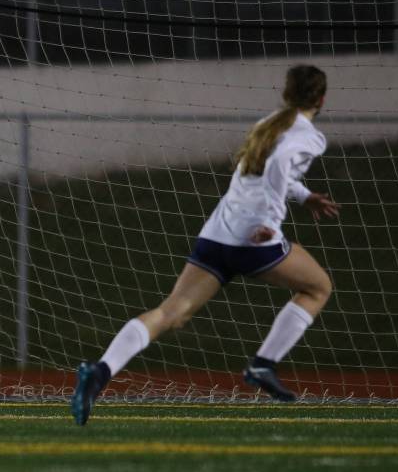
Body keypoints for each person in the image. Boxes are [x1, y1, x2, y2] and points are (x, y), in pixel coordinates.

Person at [71, 64, 340, 424]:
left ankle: (100, 371)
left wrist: (304, 196)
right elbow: (278, 166)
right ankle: (263, 365)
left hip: (219, 232)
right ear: (321, 99)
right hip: (253, 239)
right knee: (318, 287)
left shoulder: (268, 125)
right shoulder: (309, 136)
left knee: (171, 313)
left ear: (286, 93)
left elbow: (263, 172)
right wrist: (270, 224)